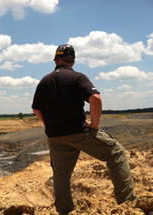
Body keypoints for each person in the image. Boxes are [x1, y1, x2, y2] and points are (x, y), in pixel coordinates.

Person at [31, 44, 137, 215]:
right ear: (72, 60)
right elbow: (95, 98)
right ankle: (128, 204)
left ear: (56, 60)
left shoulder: (44, 81)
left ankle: (65, 211)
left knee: (61, 176)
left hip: (55, 137)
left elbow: (36, 109)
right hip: (78, 132)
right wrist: (94, 126)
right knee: (116, 152)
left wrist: (50, 125)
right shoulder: (77, 77)